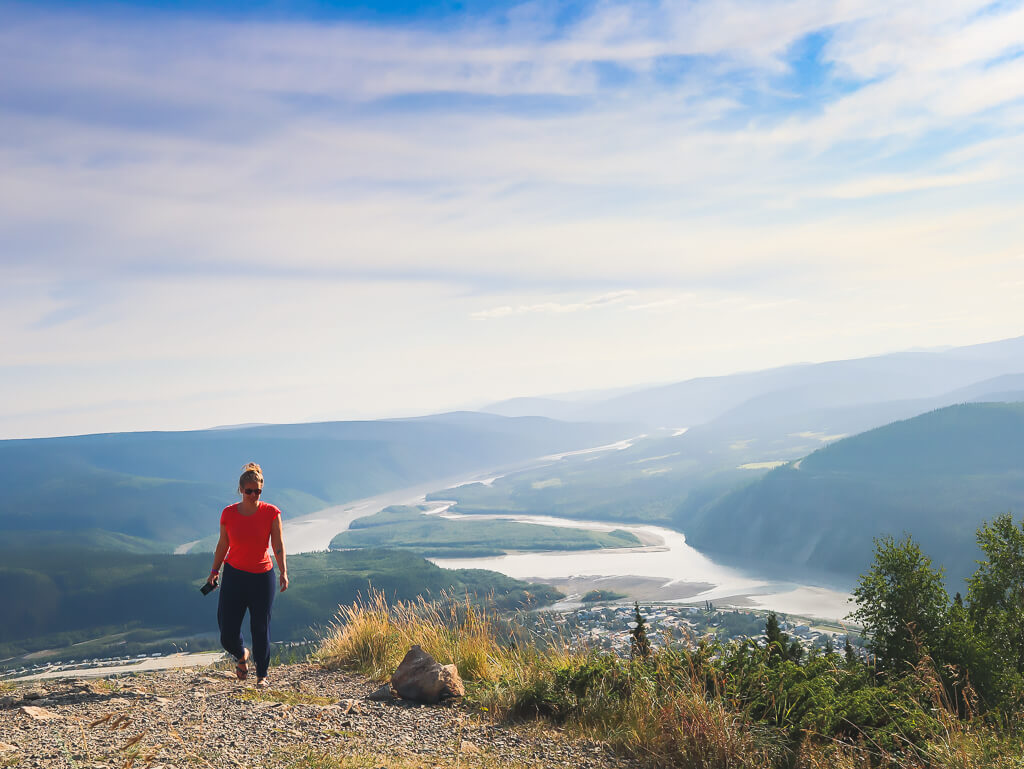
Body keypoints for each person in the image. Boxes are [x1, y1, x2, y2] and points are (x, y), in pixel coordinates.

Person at [207, 462, 288, 688]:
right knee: (227, 632)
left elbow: (278, 545)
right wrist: (214, 571)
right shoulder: (229, 513)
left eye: (258, 491)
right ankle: (242, 654)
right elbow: (223, 544)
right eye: (249, 491)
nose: (254, 495)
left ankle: (262, 675)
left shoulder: (271, 513)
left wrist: (283, 572)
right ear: (241, 490)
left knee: (260, 627)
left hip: (262, 577)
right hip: (234, 576)